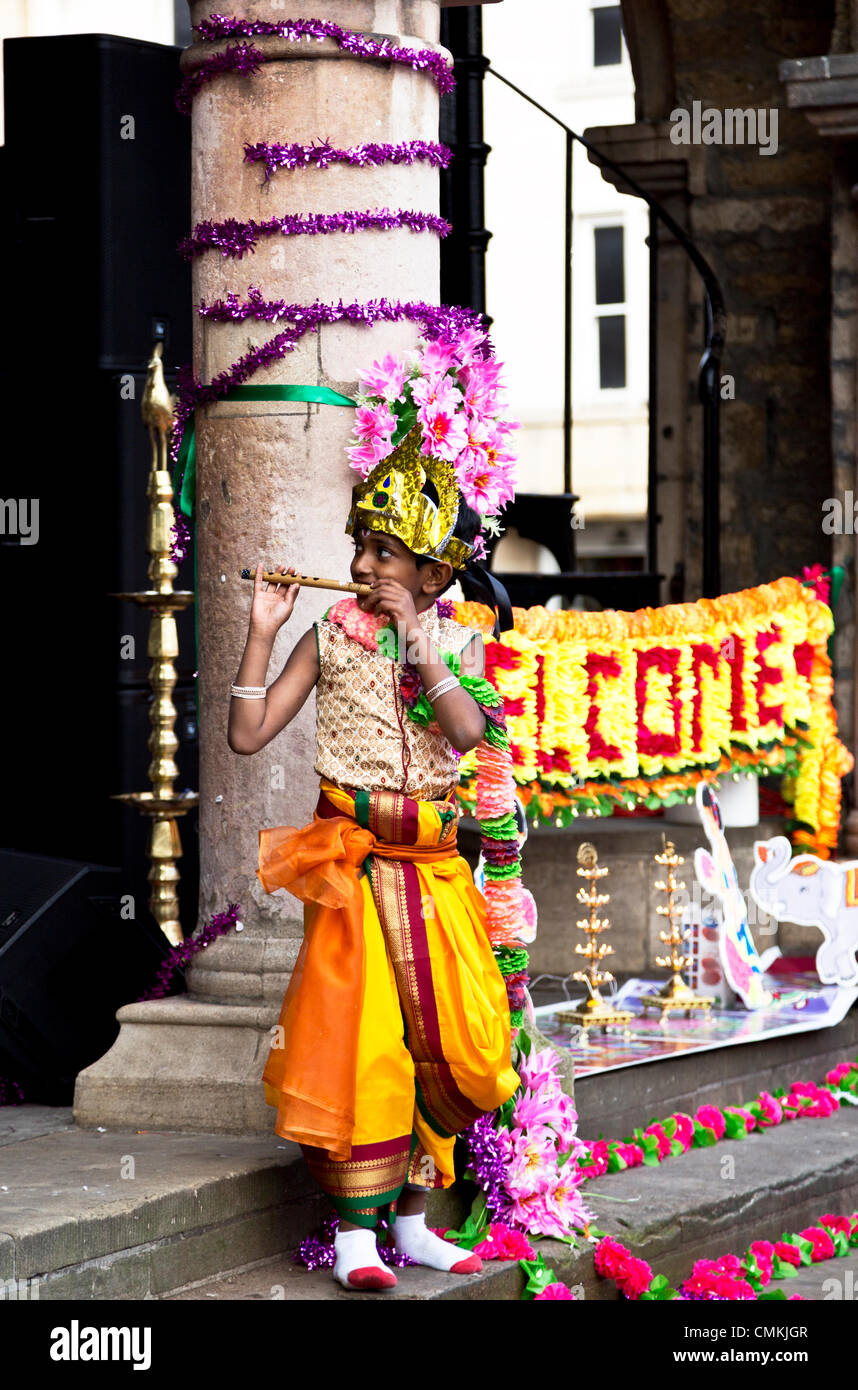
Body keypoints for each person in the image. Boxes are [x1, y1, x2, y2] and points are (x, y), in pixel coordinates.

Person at [227, 437, 520, 1291]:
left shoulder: (458, 641)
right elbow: (249, 734)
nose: (360, 564)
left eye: (382, 552)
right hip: (355, 876)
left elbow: (468, 734)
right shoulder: (330, 635)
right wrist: (261, 633)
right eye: (359, 546)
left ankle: (415, 1224)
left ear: (432, 575)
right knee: (369, 1048)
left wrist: (417, 641)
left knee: (451, 1044)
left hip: (431, 874)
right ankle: (356, 1236)